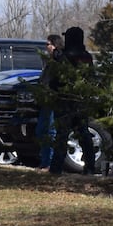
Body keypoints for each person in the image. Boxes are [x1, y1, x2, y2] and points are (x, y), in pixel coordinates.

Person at [45, 25, 98, 175]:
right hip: (81, 101)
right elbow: (90, 78)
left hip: (64, 101)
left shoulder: (64, 56)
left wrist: (54, 91)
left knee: (62, 135)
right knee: (84, 134)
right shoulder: (87, 57)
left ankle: (56, 168)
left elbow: (56, 79)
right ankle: (90, 167)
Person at [35, 33, 62, 170]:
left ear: (54, 45)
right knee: (40, 131)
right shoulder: (47, 62)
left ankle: (49, 162)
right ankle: (44, 161)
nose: (46, 47)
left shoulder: (59, 60)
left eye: (48, 44)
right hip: (45, 101)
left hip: (53, 101)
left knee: (51, 132)